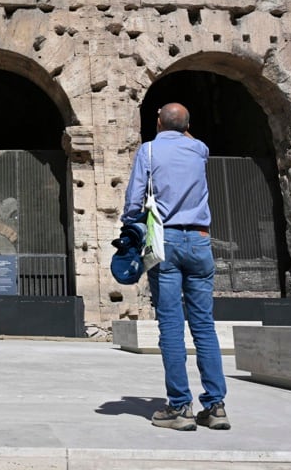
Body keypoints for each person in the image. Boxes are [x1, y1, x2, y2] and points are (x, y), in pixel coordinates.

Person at [121, 102, 230, 431]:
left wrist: (131, 224)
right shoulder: (199, 149)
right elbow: (188, 135)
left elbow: (133, 200)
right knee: (204, 327)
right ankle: (215, 406)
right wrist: (179, 126)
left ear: (158, 123)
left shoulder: (149, 151)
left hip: (165, 242)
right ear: (186, 126)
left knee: (170, 326)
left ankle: (180, 407)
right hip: (199, 240)